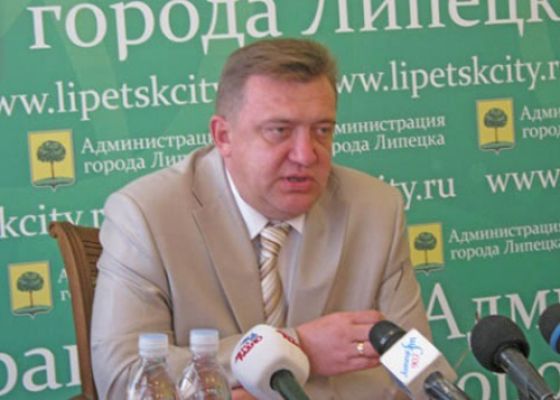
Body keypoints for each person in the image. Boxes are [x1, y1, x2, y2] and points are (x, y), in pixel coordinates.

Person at [91, 38, 430, 399]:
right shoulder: (147, 215)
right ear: (224, 136)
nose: (305, 155)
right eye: (279, 131)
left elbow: (420, 372)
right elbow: (124, 378)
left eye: (322, 130)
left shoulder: (376, 209)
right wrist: (297, 348)